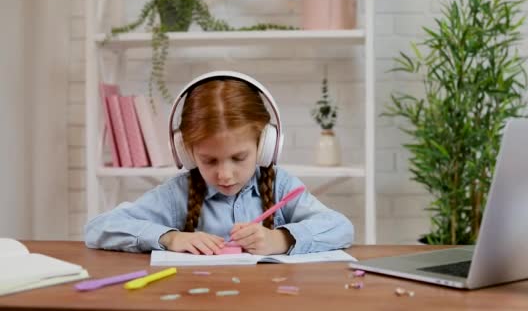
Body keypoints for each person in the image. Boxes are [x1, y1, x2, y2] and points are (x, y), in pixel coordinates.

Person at [85, 71, 354, 255]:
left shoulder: (281, 185)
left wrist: (281, 239)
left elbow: (341, 228)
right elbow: (98, 228)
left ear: (265, 146)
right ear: (186, 152)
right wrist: (170, 238)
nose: (225, 174)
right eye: (209, 160)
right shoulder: (177, 193)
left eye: (239, 158)